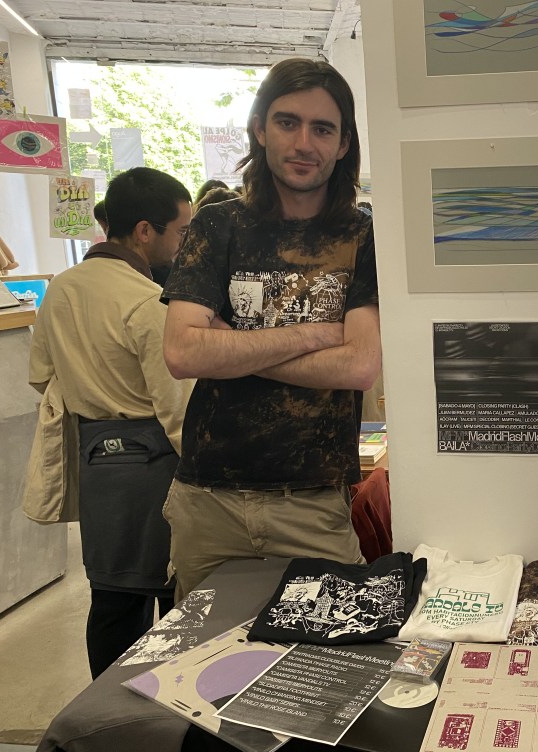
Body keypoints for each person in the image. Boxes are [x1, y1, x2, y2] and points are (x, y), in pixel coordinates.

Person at [161, 58, 380, 601]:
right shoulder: (217, 225)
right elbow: (183, 353)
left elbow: (359, 366)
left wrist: (230, 343)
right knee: (199, 648)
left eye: (322, 128)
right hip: (207, 496)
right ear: (260, 129)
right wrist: (318, 333)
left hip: (312, 498)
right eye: (287, 122)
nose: (304, 143)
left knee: (337, 646)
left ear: (344, 143)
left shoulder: (363, 237)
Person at [28, 167, 194, 677]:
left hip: (96, 461)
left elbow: (40, 375)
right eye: (181, 231)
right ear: (144, 231)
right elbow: (176, 409)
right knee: (175, 601)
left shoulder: (61, 289)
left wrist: (91, 389)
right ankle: (165, 709)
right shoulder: (147, 302)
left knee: (112, 599)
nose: (184, 244)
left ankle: (105, 712)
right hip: (153, 464)